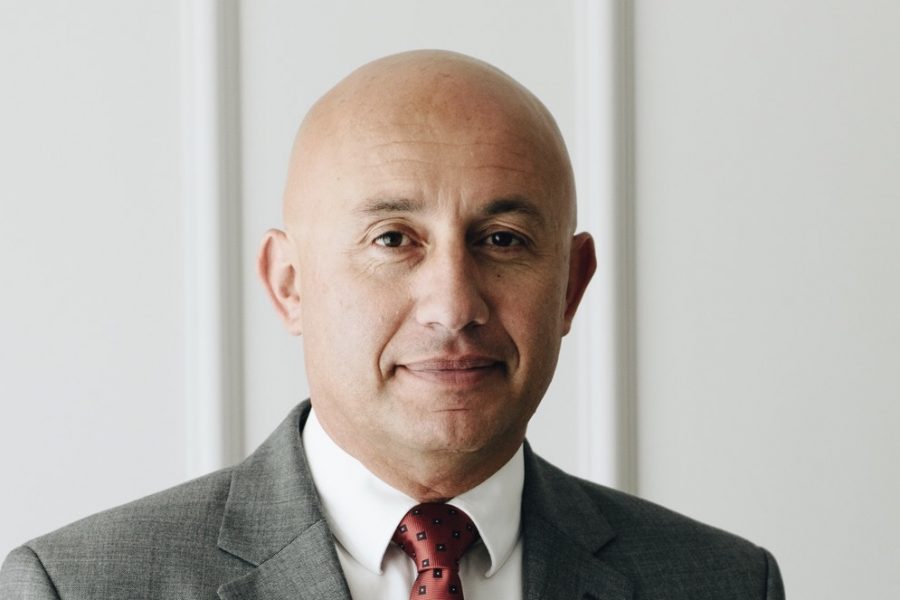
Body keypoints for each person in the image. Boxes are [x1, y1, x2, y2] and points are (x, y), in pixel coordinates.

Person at [0, 50, 784, 600]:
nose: (454, 305)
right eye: (392, 240)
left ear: (571, 286)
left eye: (502, 240)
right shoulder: (77, 587)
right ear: (289, 284)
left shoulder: (724, 583)